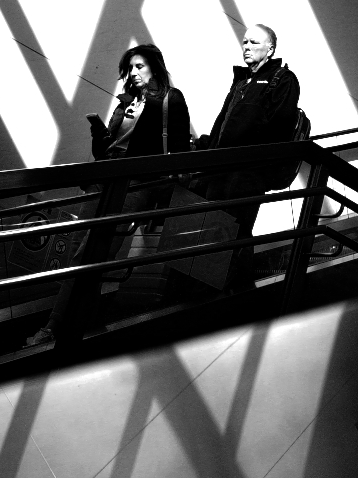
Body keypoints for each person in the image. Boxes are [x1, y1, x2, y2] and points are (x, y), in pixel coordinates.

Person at [25, 44, 190, 345]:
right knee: (81, 253)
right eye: (130, 68)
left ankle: (53, 326)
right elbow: (104, 150)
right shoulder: (125, 101)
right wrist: (99, 135)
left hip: (135, 184)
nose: (134, 73)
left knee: (91, 254)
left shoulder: (170, 98)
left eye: (140, 66)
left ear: (155, 67)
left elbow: (179, 148)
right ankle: (85, 322)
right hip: (103, 181)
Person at [194, 24, 300, 288]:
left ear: (270, 49)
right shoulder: (241, 81)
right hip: (220, 171)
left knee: (236, 231)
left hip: (248, 174)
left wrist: (254, 164)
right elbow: (222, 126)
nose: (247, 47)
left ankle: (236, 292)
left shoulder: (282, 78)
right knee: (220, 231)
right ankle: (231, 289)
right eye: (244, 42)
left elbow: (280, 127)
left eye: (254, 42)